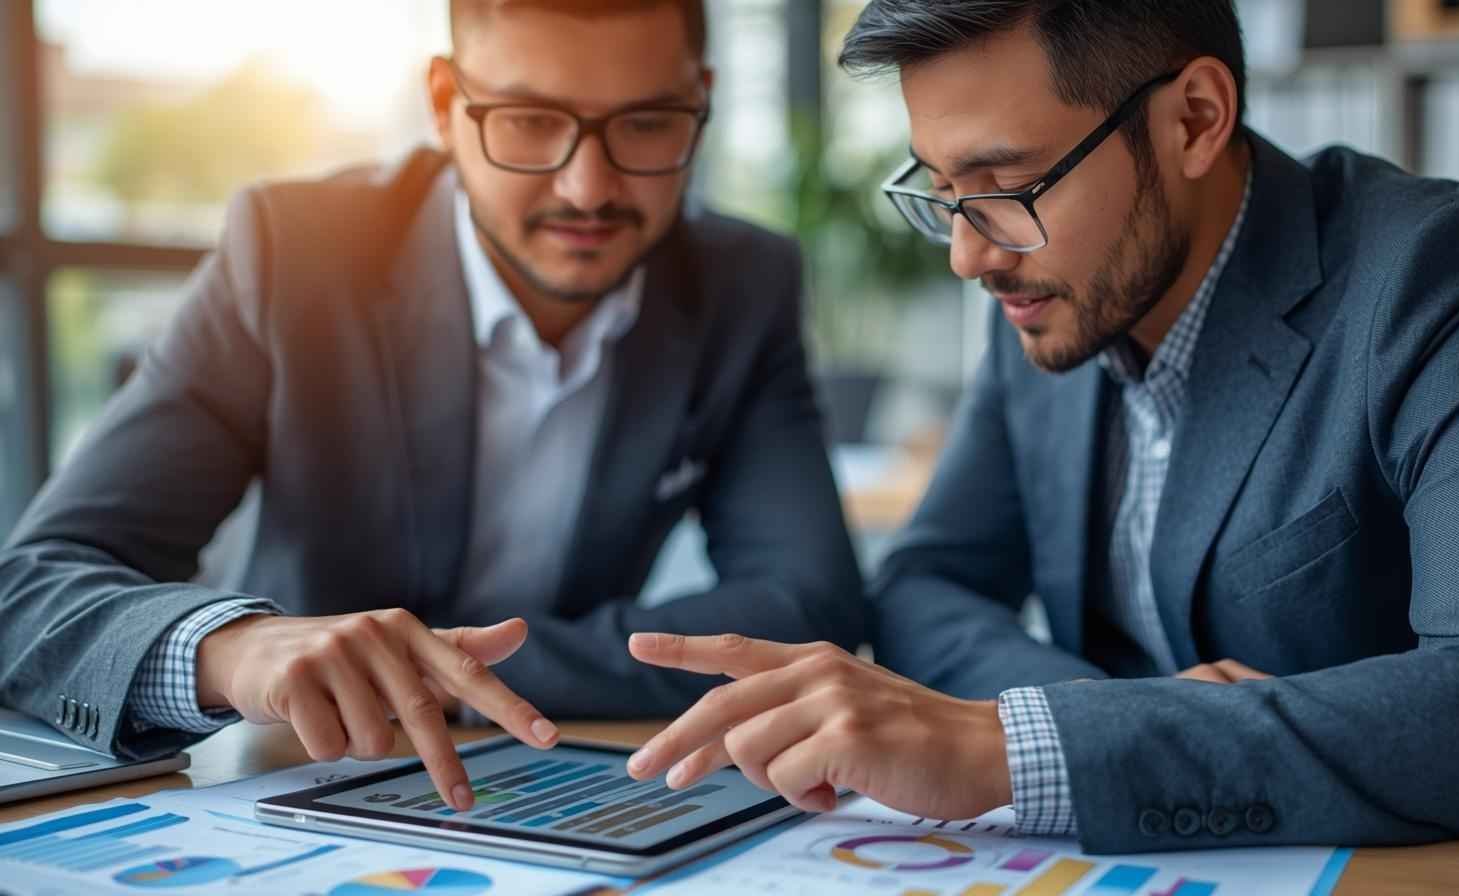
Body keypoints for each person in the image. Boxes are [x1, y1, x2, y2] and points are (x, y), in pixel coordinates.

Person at [621, 0, 1459, 854]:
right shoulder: (1047, 277)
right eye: (944, 187)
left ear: (1194, 119)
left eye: (1004, 184)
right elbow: (929, 582)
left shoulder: (1449, 282)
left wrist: (1017, 746)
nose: (968, 253)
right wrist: (1087, 728)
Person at [0, 0, 863, 813]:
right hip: (291, 780)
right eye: (530, 121)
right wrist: (228, 650)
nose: (586, 187)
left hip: (567, 775)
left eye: (646, 123)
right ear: (446, 104)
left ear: (700, 103)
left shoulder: (741, 285)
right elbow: (32, 587)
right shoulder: (292, 252)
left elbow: (804, 605)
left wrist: (442, 674)